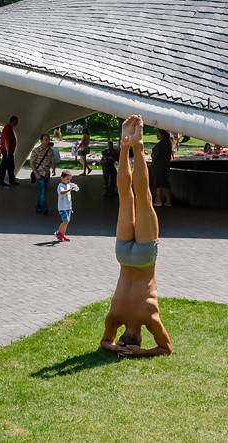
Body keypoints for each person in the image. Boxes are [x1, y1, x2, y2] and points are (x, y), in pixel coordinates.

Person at [100, 115, 172, 357]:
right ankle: (125, 146)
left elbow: (165, 348)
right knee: (126, 198)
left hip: (143, 258)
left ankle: (137, 145)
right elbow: (104, 342)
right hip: (122, 256)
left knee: (143, 198)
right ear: (121, 336)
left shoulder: (148, 317)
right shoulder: (114, 317)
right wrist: (113, 346)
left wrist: (140, 352)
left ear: (140, 338)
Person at [31, 133, 55, 215]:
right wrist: (36, 173)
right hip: (39, 173)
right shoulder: (36, 151)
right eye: (46, 139)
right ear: (41, 140)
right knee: (42, 191)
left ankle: (38, 206)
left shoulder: (50, 151)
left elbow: (52, 160)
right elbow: (31, 163)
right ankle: (45, 208)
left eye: (48, 139)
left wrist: (54, 169)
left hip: (47, 174)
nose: (48, 141)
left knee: (43, 192)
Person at [151, 130, 173, 207]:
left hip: (159, 166)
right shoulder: (168, 144)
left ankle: (159, 200)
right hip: (165, 166)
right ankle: (168, 201)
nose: (157, 136)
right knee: (165, 183)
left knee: (158, 183)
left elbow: (155, 155)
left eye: (158, 134)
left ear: (162, 135)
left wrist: (153, 155)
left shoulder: (160, 145)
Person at [0, 115, 19, 186]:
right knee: (5, 166)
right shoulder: (7, 128)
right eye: (17, 121)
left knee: (10, 166)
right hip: (7, 151)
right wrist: (8, 151)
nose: (17, 123)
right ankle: (1, 181)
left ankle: (11, 180)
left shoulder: (9, 128)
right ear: (14, 121)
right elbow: (7, 140)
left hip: (8, 151)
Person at [55, 170, 78, 241]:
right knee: (65, 221)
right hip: (62, 207)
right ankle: (58, 233)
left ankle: (63, 234)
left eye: (70, 179)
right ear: (62, 178)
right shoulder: (60, 186)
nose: (68, 180)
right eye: (67, 179)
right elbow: (61, 192)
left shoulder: (68, 184)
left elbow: (77, 188)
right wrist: (70, 189)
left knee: (67, 222)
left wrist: (75, 186)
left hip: (68, 207)